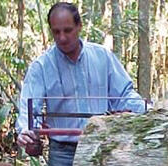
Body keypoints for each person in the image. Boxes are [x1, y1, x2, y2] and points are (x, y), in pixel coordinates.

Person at [16, 2, 145, 166]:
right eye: (56, 32)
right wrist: (26, 132)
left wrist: (147, 110)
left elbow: (124, 94)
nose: (62, 37)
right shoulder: (41, 66)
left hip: (102, 145)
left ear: (79, 26)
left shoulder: (102, 57)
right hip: (63, 153)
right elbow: (29, 108)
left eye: (67, 30)